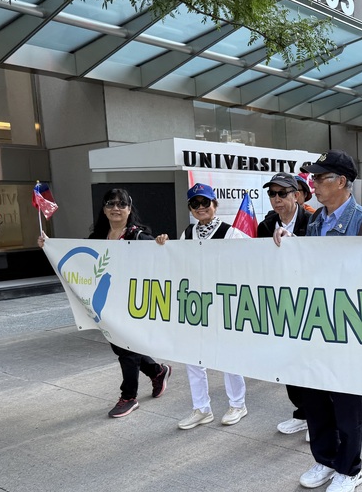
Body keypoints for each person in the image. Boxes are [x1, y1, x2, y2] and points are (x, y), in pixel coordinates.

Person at [273, 149, 362, 492]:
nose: (313, 184)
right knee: (314, 397)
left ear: (341, 182)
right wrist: (288, 245)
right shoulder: (314, 221)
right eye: (313, 178)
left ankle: (349, 469)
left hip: (347, 327)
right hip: (315, 322)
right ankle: (325, 459)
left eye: (320, 178)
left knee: (346, 399)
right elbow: (308, 266)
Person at [39, 188, 172, 418]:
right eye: (110, 204)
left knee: (126, 350)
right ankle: (157, 371)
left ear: (130, 209)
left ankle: (128, 397)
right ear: (104, 209)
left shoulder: (137, 236)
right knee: (119, 346)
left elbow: (160, 259)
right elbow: (77, 257)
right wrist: (49, 244)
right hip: (107, 303)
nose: (116, 208)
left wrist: (162, 242)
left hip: (132, 303)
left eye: (121, 204)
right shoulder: (98, 238)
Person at [155, 183, 247, 430]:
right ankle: (201, 408)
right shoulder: (187, 233)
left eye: (205, 202)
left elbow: (251, 259)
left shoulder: (231, 233)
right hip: (197, 304)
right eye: (195, 204)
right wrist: (164, 244)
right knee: (193, 357)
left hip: (224, 302)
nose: (200, 208)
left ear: (215, 205)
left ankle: (238, 404)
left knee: (229, 356)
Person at [256, 173, 311, 438]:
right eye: (272, 194)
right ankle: (303, 413)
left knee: (311, 364)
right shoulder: (264, 227)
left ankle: (319, 418)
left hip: (310, 304)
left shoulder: (314, 222)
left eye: (282, 193)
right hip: (280, 305)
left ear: (296, 195)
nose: (276, 199)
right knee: (288, 364)